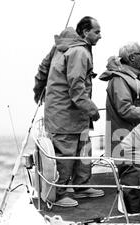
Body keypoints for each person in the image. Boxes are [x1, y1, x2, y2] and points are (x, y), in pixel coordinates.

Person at [43, 16, 104, 207]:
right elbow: (76, 87)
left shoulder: (64, 48)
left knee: (83, 150)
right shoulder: (79, 52)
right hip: (65, 115)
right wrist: (92, 110)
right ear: (85, 32)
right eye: (97, 32)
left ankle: (81, 186)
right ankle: (59, 194)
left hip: (76, 115)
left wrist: (39, 91)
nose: (100, 36)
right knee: (66, 154)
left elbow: (42, 70)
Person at [98, 42, 140, 213]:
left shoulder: (131, 78)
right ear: (132, 57)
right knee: (132, 182)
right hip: (125, 141)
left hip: (136, 140)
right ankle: (136, 219)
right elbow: (125, 109)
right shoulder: (120, 80)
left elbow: (133, 101)